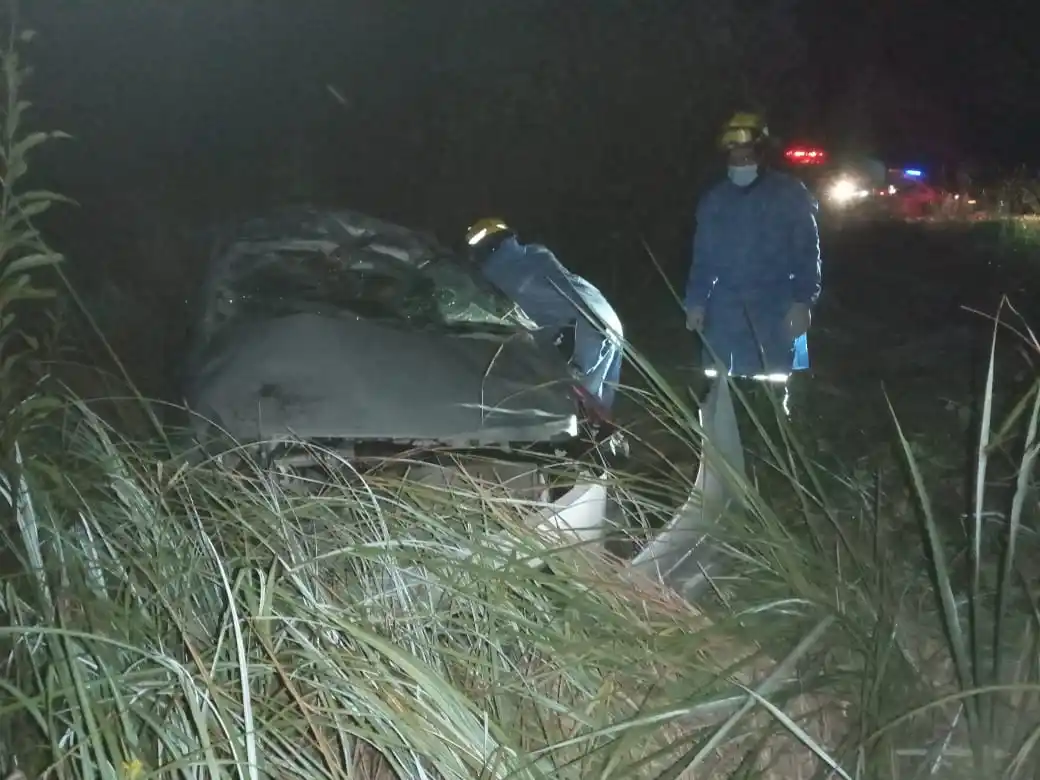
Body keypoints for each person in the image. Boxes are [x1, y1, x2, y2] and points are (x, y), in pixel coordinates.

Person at [684, 111, 822, 421]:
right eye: (734, 153)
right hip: (725, 309)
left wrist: (803, 301)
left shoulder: (789, 195)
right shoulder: (715, 200)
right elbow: (703, 258)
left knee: (774, 381)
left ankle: (777, 440)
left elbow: (806, 252)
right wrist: (695, 302)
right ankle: (721, 448)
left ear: (761, 152)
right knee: (718, 384)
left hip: (776, 306)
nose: (740, 159)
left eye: (746, 153)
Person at [465, 218, 624, 410]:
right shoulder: (535, 253)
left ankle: (594, 434)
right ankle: (608, 436)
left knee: (574, 410)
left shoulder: (496, 271)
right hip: (605, 316)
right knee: (599, 404)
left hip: (581, 328)